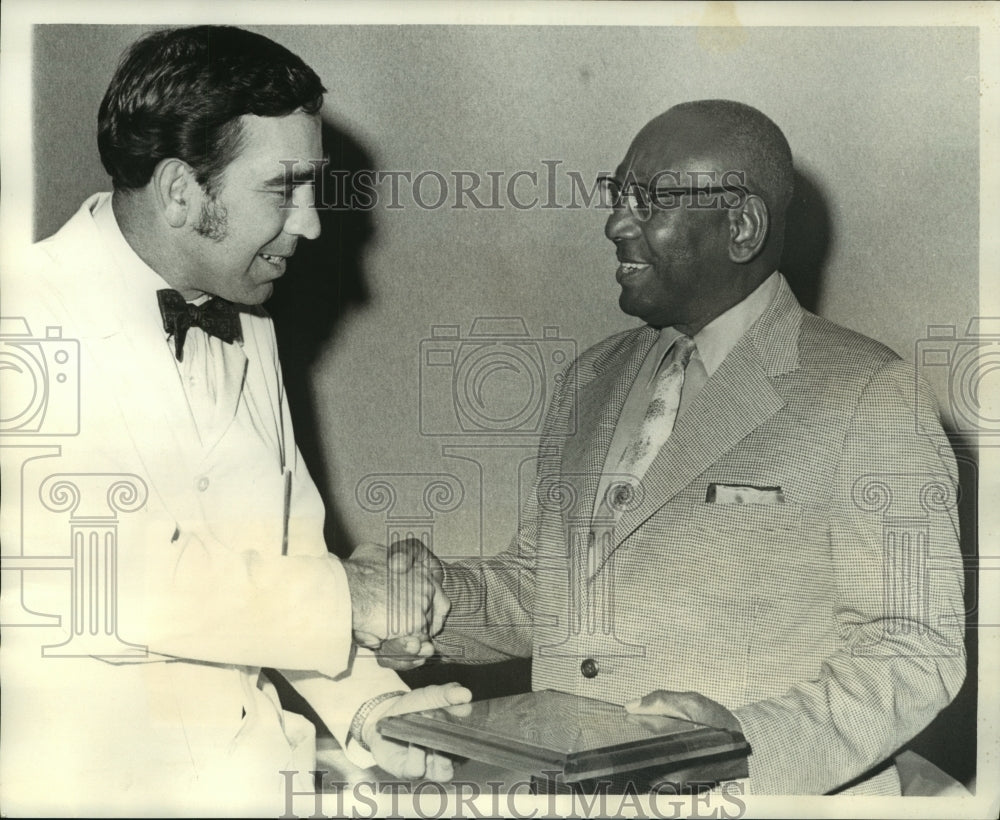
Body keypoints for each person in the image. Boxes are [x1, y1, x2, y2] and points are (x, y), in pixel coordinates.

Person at [380, 100, 967, 795]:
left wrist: (740, 746)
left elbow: (911, 648)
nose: (615, 224)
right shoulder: (589, 380)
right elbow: (545, 590)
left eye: (649, 201)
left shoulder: (870, 391)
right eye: (618, 195)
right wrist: (423, 599)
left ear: (741, 226)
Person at [0, 25, 465, 816]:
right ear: (182, 191)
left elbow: (283, 555)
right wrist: (353, 601)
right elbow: (111, 579)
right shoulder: (23, 314)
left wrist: (368, 705)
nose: (313, 224)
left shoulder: (249, 320)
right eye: (283, 189)